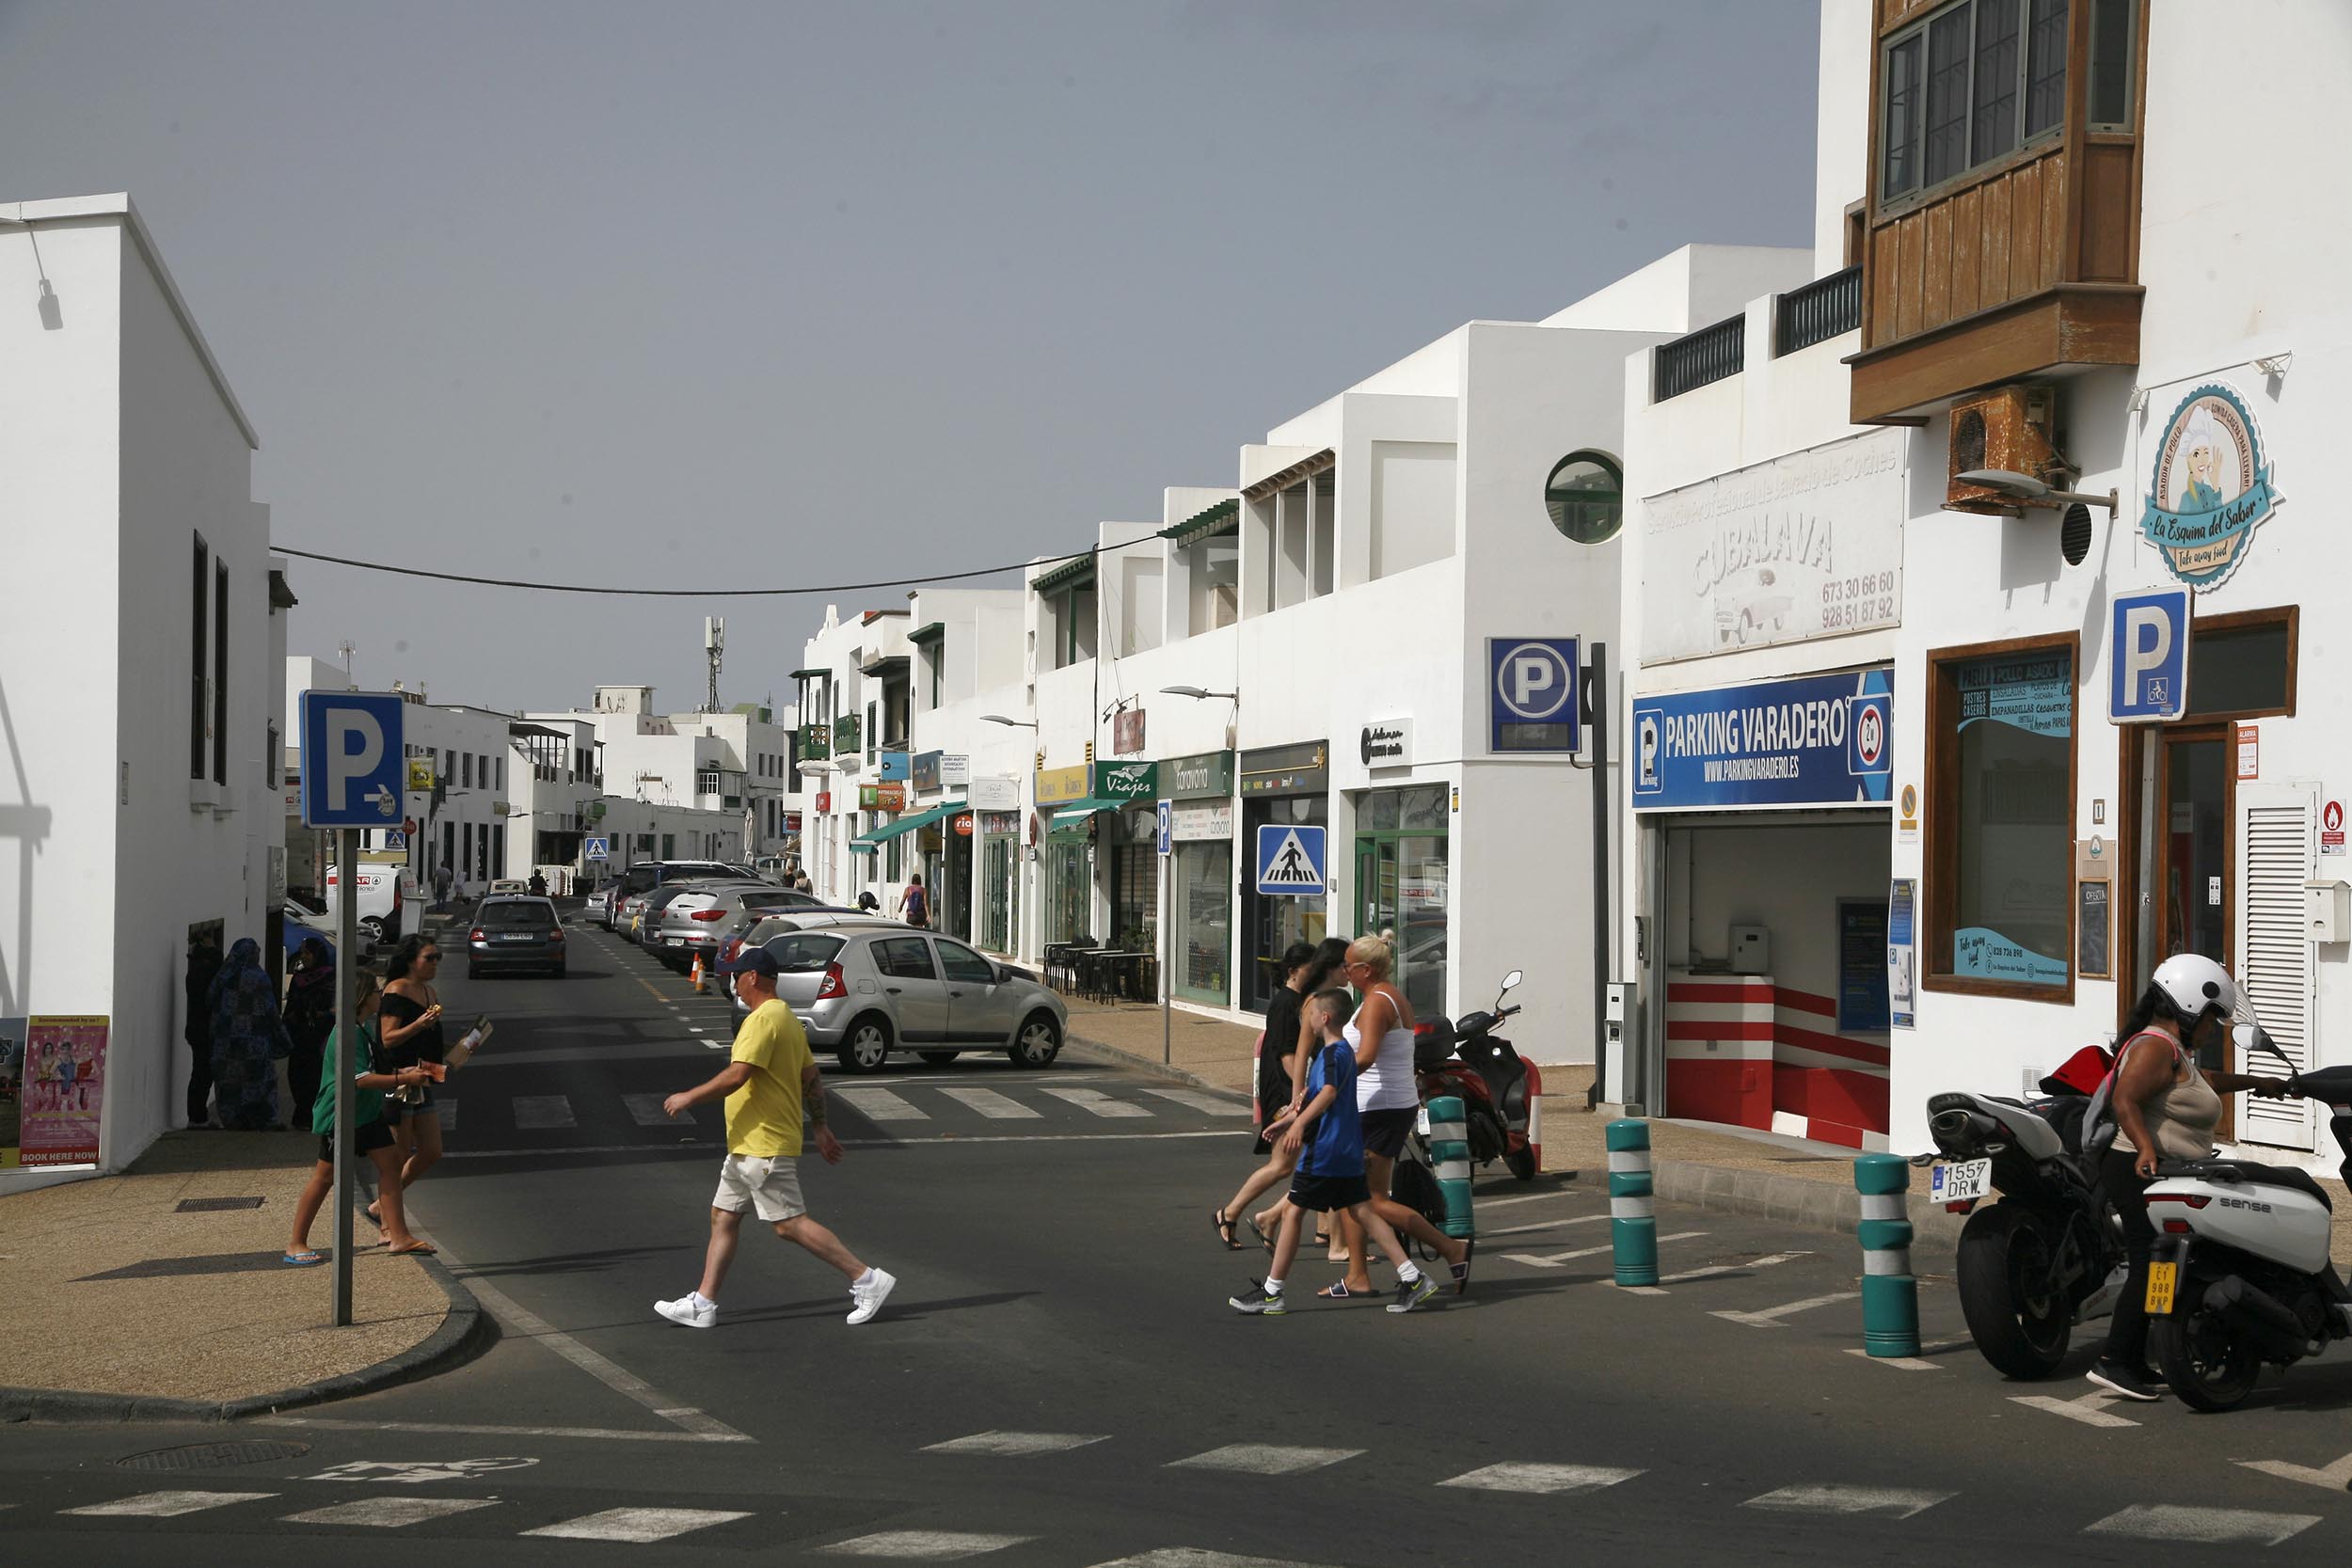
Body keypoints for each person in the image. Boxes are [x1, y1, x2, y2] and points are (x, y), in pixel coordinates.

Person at [2087, 953, 2296, 1401]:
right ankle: (2115, 1360)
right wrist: (2145, 1145)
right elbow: (2125, 1099)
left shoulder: (2171, 1049)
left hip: (2157, 1168)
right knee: (2148, 1260)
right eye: (2210, 1019)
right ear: (2187, 1008)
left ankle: (2137, 1361)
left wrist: (2255, 1082)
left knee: (2161, 1260)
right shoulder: (2155, 1047)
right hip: (2133, 1166)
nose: (2210, 1029)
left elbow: (2199, 1082)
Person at [655, 945, 898, 1328]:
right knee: (723, 1216)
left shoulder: (763, 1020)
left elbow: (738, 1075)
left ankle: (866, 1278)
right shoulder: (785, 1017)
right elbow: (810, 1078)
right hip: (747, 1145)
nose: (734, 982)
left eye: (737, 976)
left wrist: (689, 1097)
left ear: (753, 978)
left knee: (787, 1224)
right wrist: (819, 1126)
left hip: (763, 1145)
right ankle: (703, 1303)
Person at [1231, 989, 1442, 1317]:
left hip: (1326, 1150)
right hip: (1347, 1148)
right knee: (1363, 1211)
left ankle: (1272, 1292)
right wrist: (1287, 1120)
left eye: (1309, 1013)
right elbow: (1316, 1093)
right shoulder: (1340, 1052)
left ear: (1324, 1017)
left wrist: (1299, 1125)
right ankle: (1412, 1277)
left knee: (1293, 1212)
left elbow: (1328, 1093)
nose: (1306, 1019)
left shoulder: (1331, 1056)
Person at [1328, 934, 1473, 1298]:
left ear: (1366, 969)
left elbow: (1366, 1058)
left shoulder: (1378, 1002)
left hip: (1380, 1108)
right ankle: (1357, 1275)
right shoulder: (1382, 996)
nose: (1344, 971)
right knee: (1354, 1194)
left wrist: (1327, 1089)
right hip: (1380, 1105)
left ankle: (1451, 1247)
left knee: (1371, 1199)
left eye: (1349, 966)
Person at [285, 974, 436, 1263]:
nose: (381, 996)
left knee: (391, 1166)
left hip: (366, 1113)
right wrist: (398, 1079)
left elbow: (370, 1067)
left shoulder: (362, 1027)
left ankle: (399, 1235)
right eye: (376, 992)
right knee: (325, 1176)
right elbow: (360, 1078)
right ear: (363, 996)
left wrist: (403, 1074)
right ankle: (296, 1243)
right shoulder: (347, 1033)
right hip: (342, 1115)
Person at [1214, 939, 1346, 1250]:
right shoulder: (1288, 1003)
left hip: (1292, 1091)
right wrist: (1300, 1096)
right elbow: (1288, 1054)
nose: (1311, 974)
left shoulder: (1299, 1000)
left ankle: (1317, 1228)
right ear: (1294, 971)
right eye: (1308, 969)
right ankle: (1231, 1213)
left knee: (1313, 1163)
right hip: (1284, 1092)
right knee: (1285, 1165)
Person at [373, 935, 448, 1224]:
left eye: (437, 957)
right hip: (400, 1078)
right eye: (429, 958)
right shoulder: (396, 991)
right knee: (398, 1154)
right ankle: (389, 1219)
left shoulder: (429, 992)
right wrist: (418, 1025)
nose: (434, 963)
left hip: (424, 1076)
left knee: (432, 1151)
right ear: (410, 961)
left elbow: (430, 1039)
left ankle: (382, 1206)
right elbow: (388, 1040)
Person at [205, 937, 290, 1131]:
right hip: (255, 1042)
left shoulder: (223, 976)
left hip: (226, 1042)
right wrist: (284, 1038)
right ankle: (264, 1119)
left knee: (229, 1083)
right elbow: (271, 1011)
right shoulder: (259, 978)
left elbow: (209, 999)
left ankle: (233, 1119)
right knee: (261, 1082)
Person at [281, 937, 337, 1124]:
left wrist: (323, 1015)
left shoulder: (331, 977)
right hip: (300, 1037)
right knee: (297, 1076)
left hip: (322, 1037)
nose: (303, 956)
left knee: (317, 1076)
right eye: (302, 952)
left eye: (307, 952)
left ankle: (316, 1115)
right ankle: (303, 1114)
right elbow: (290, 1007)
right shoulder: (298, 978)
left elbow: (336, 1008)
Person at [183, 931, 223, 1127]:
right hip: (204, 1030)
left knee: (200, 1073)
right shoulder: (204, 973)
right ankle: (198, 1117)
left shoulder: (195, 973)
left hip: (196, 1029)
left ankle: (198, 1116)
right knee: (202, 1074)